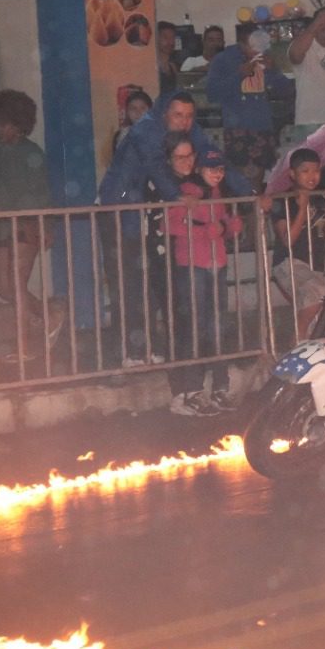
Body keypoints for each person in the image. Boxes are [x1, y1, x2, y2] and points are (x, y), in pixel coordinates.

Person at [99, 91, 253, 365]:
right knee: (128, 283)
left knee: (159, 282)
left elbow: (214, 159)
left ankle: (158, 349)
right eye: (178, 115)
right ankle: (127, 354)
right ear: (164, 114)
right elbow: (155, 165)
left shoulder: (189, 131)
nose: (185, 122)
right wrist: (176, 195)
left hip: (150, 218)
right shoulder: (146, 129)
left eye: (190, 115)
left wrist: (249, 193)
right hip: (121, 213)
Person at [163, 144, 244, 415]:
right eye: (212, 168)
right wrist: (207, 232)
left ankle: (220, 387)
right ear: (200, 169)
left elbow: (231, 224)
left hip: (215, 266)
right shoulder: (188, 193)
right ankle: (192, 390)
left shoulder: (218, 194)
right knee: (195, 327)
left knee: (217, 326)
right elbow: (170, 225)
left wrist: (226, 227)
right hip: (193, 266)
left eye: (220, 168)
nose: (217, 173)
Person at [0, 89, 60, 357]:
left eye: (4, 123)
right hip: (0, 225)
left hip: (25, 226)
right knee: (5, 288)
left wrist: (41, 225)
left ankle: (24, 346)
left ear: (19, 124)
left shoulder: (31, 152)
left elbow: (42, 193)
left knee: (15, 285)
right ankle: (49, 314)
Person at [205, 23, 294, 189]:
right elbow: (212, 94)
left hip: (263, 126)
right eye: (254, 45)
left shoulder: (266, 59)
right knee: (240, 184)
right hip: (237, 128)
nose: (259, 49)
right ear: (242, 43)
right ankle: (242, 213)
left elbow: (286, 91)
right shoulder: (224, 60)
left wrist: (273, 71)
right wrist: (239, 75)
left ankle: (257, 213)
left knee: (257, 184)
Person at [269, 148, 325, 339]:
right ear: (293, 174)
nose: (312, 176)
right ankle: (297, 341)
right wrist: (302, 209)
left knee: (318, 315)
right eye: (305, 171)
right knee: (319, 294)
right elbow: (288, 240)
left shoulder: (321, 199)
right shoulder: (283, 200)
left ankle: (299, 350)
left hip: (314, 266)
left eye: (316, 170)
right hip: (289, 263)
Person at [113, 89, 154, 157]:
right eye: (133, 108)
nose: (138, 112)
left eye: (143, 108)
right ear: (127, 112)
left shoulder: (161, 135)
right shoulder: (122, 135)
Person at [154, 21, 183, 98]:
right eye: (165, 37)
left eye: (172, 37)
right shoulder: (152, 66)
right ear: (156, 38)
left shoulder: (173, 67)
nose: (170, 42)